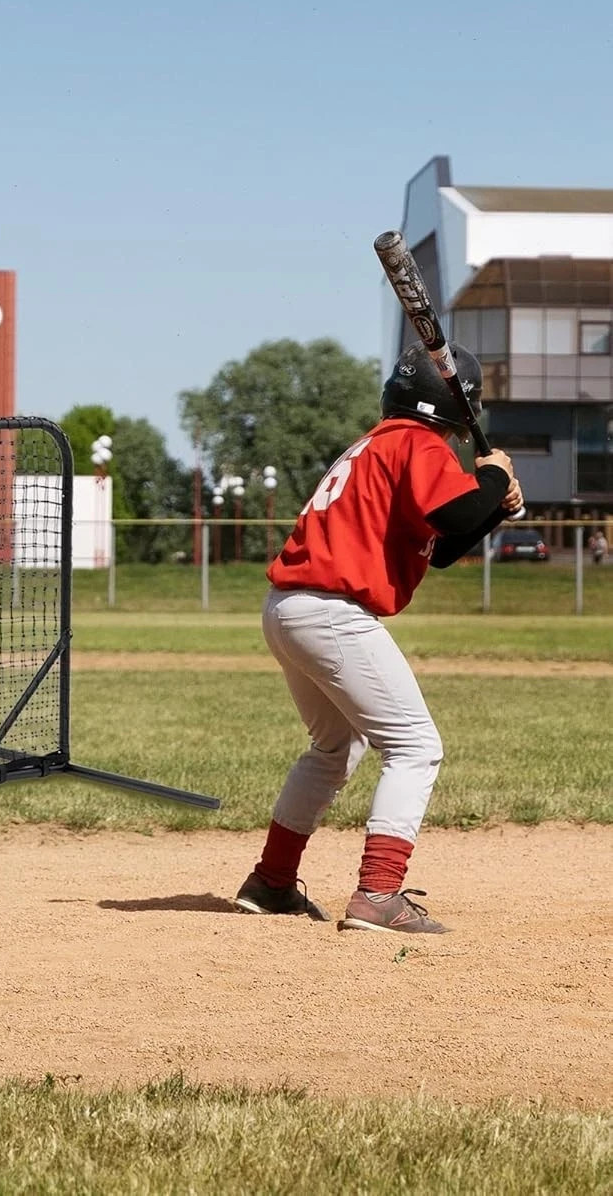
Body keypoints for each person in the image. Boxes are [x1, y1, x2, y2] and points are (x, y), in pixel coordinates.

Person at [233, 343, 521, 934]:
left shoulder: (381, 440)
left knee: (335, 749)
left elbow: (443, 547)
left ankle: (272, 881)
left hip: (289, 608)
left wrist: (491, 504)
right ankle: (378, 893)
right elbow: (459, 517)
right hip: (332, 611)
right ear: (461, 408)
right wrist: (492, 478)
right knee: (416, 747)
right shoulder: (419, 442)